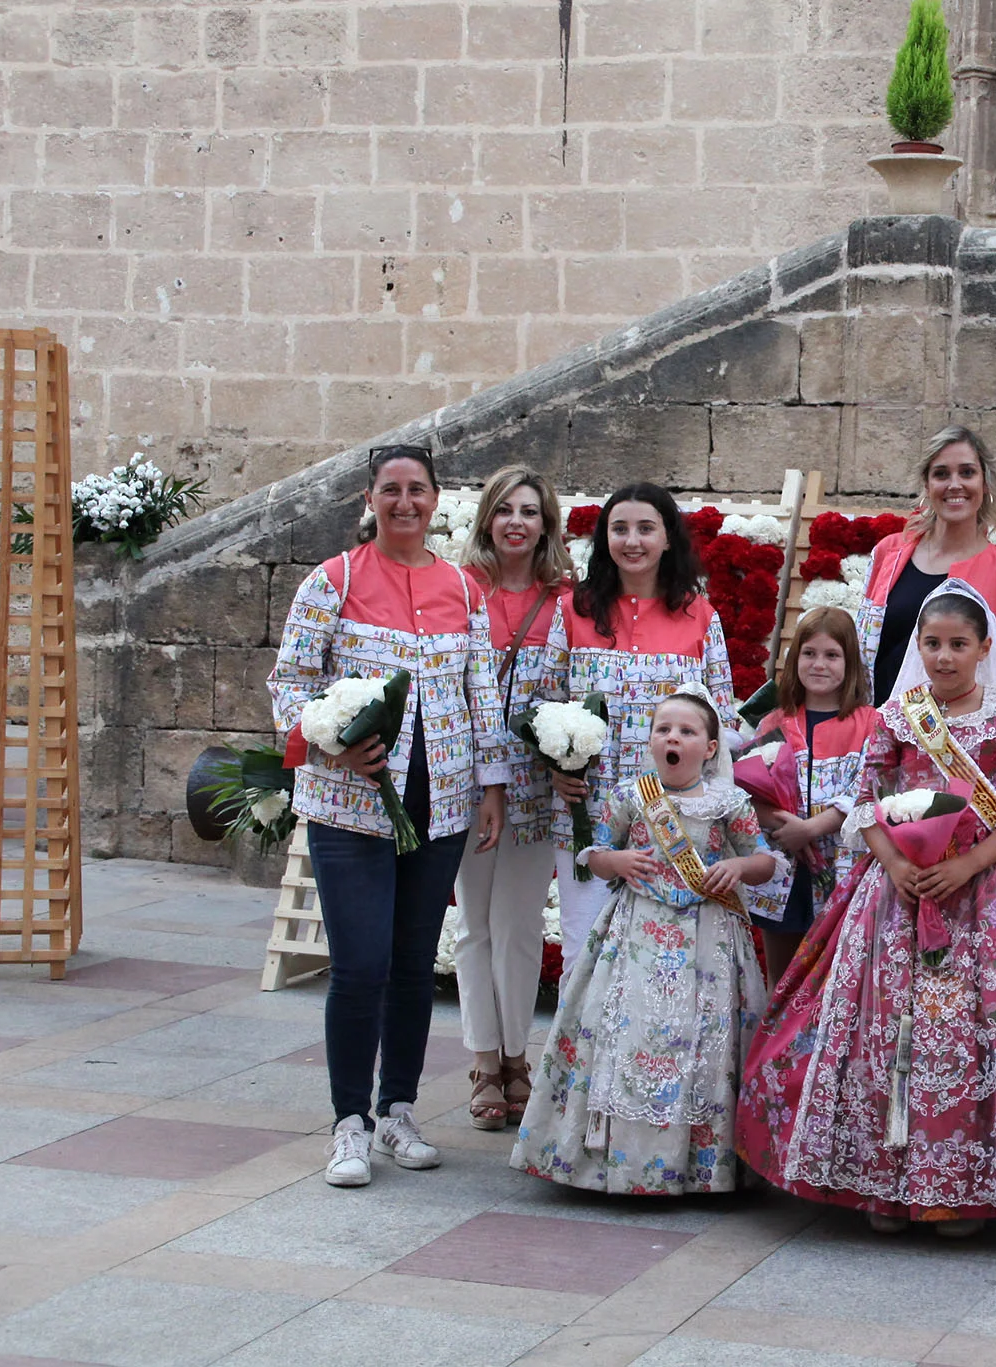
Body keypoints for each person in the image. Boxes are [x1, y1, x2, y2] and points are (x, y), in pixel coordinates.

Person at [736, 581, 996, 1237]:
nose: (945, 656)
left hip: (988, 894)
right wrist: (897, 862)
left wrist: (967, 863)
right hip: (896, 894)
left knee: (980, 1032)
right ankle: (882, 1177)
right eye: (932, 643)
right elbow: (868, 800)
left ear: (985, 647)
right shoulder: (899, 715)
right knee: (885, 1028)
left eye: (959, 644)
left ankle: (965, 1185)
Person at [268, 444, 509, 1190]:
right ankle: (350, 1123)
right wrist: (329, 750)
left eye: (418, 490)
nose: (405, 502)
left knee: (411, 968)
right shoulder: (330, 582)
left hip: (438, 805)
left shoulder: (464, 591)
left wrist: (493, 785)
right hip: (349, 806)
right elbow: (290, 684)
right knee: (360, 965)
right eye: (391, 490)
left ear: (436, 500)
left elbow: (481, 691)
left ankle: (398, 1108)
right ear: (369, 499)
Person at [513, 692, 784, 1194]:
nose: (673, 739)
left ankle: (702, 1167)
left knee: (703, 1044)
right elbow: (593, 852)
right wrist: (612, 863)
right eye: (664, 730)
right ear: (651, 741)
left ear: (709, 747)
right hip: (635, 937)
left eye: (686, 732)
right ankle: (615, 1160)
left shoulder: (729, 802)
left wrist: (739, 867)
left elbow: (766, 861)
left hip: (710, 945)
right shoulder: (630, 796)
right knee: (628, 1036)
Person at [539, 483, 735, 946]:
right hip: (588, 812)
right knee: (582, 949)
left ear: (668, 538)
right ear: (604, 538)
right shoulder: (573, 610)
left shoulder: (701, 617)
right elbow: (545, 701)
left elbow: (721, 719)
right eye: (620, 529)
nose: (632, 541)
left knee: (660, 955)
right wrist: (555, 769)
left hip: (676, 821)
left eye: (646, 529)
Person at [456, 466, 574, 1131]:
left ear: (545, 524)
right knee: (474, 921)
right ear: (487, 520)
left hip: (533, 780)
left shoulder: (565, 599)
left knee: (520, 922)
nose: (516, 522)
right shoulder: (462, 589)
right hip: (468, 778)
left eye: (529, 511)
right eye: (504, 510)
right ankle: (483, 1062)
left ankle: (516, 1055)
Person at [738, 607, 878, 984]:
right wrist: (782, 824)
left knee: (831, 977)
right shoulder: (774, 721)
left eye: (832, 655)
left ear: (850, 663)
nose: (819, 664)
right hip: (782, 867)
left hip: (839, 865)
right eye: (809, 653)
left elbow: (868, 789)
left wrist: (813, 827)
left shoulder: (869, 723)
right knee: (781, 978)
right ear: (794, 657)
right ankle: (776, 1041)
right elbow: (746, 788)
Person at [856, 426, 996, 703]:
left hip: (964, 742)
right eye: (941, 474)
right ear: (927, 485)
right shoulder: (887, 554)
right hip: (881, 734)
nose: (955, 484)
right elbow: (860, 657)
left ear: (985, 483)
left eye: (967, 472)